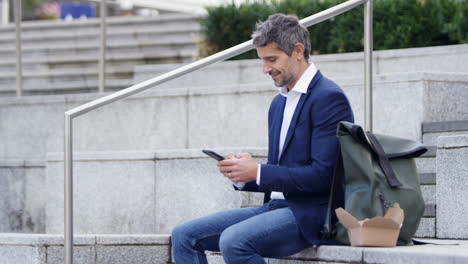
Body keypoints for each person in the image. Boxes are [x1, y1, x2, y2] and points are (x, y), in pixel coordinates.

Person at [171, 13, 354, 264]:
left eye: (272, 59)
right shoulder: (278, 103)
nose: (265, 69)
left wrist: (257, 171)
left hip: (312, 214)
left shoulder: (328, 98)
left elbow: (323, 177)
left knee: (234, 241)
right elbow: (282, 173)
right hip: (275, 209)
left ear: (298, 51)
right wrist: (242, 175)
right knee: (183, 235)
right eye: (262, 60)